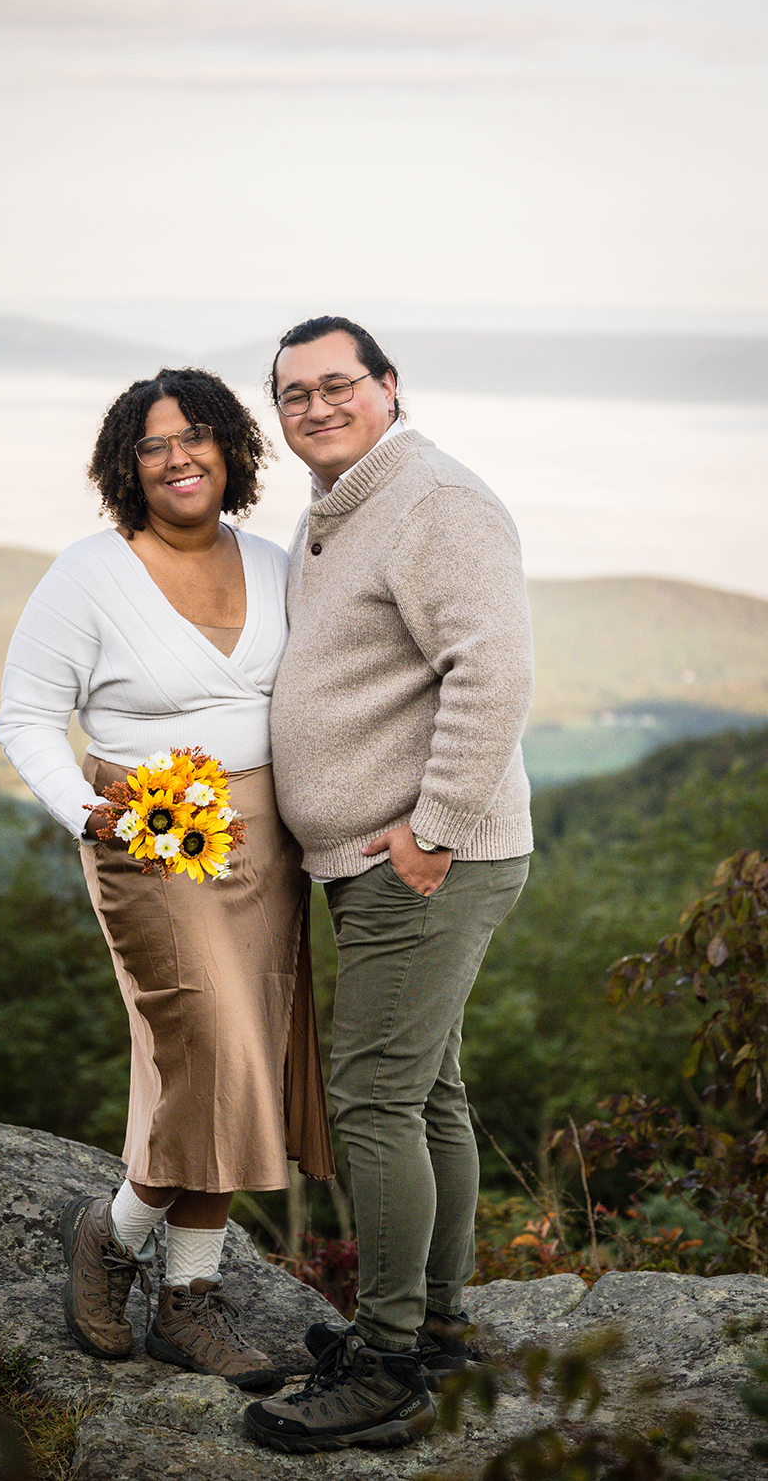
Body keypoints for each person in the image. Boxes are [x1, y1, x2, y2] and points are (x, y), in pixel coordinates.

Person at [0, 367, 333, 1391]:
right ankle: (138, 1254)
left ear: (230, 448)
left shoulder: (276, 564)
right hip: (147, 838)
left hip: (265, 844)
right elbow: (23, 717)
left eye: (197, 435)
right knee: (211, 1053)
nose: (178, 455)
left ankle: (160, 1274)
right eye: (154, 443)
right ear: (125, 466)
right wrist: (85, 809)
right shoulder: (91, 572)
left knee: (250, 1058)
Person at [244, 317, 534, 1453]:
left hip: (422, 862)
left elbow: (495, 667)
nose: (314, 407)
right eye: (292, 394)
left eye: (335, 385)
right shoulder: (342, 506)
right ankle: (441, 1328)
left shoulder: (432, 503)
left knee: (371, 1099)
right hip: (383, 858)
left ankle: (386, 1365)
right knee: (427, 1098)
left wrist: (433, 830)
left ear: (387, 388)